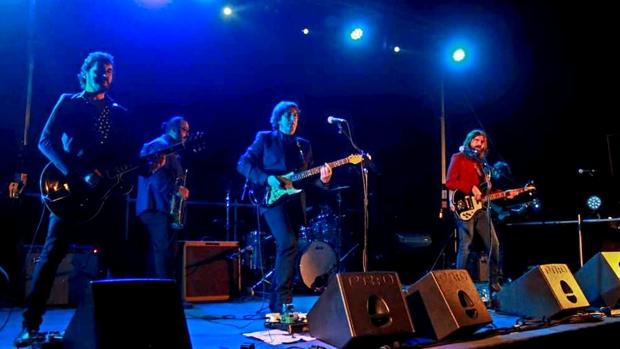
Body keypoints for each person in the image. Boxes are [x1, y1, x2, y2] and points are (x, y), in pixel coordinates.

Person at [15, 51, 133, 347]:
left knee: (116, 259)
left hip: (104, 197)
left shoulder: (120, 112)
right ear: (85, 73)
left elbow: (126, 157)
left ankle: (115, 324)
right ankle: (30, 325)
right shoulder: (69, 102)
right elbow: (46, 141)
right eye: (99, 70)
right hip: (69, 192)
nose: (104, 74)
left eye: (109, 70)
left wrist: (144, 165)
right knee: (52, 255)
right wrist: (78, 172)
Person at [237, 101, 332, 313]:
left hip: (295, 203)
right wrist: (266, 179)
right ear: (278, 118)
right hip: (270, 198)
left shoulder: (303, 145)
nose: (292, 120)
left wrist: (323, 180)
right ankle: (284, 300)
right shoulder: (265, 138)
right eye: (288, 115)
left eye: (296, 116)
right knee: (288, 242)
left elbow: (307, 180)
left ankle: (277, 303)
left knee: (289, 247)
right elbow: (243, 164)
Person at [446, 129, 511, 294]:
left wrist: (503, 194)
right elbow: (450, 181)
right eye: (476, 140)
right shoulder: (458, 157)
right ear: (469, 141)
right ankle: (457, 284)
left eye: (482, 141)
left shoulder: (483, 165)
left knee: (494, 245)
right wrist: (470, 187)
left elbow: (485, 191)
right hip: (463, 206)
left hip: (481, 209)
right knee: (465, 245)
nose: (479, 143)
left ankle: (495, 285)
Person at [136, 116, 190, 278]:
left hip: (163, 206)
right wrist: (178, 190)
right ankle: (165, 294)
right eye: (184, 129)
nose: (187, 134)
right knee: (162, 251)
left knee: (163, 251)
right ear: (172, 129)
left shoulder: (170, 149)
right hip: (154, 206)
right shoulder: (159, 145)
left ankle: (162, 293)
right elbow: (155, 178)